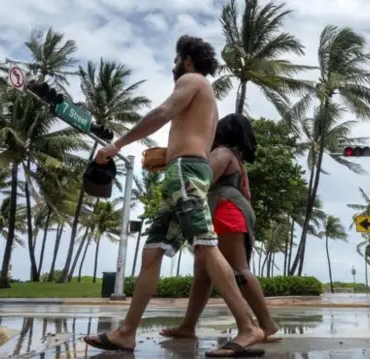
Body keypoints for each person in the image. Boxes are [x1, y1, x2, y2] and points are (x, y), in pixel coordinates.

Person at [83, 35, 265, 357]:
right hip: (180, 173)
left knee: (206, 246)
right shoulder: (205, 98)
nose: (175, 64)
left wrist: (118, 145)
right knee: (152, 253)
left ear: (188, 60)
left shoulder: (193, 80)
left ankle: (248, 327)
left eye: (177, 58)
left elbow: (162, 111)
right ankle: (126, 332)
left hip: (185, 173)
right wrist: (167, 156)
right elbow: (191, 140)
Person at [159, 113, 280, 343]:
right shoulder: (238, 161)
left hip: (225, 213)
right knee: (203, 275)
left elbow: (201, 180)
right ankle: (188, 325)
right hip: (230, 213)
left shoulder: (222, 153)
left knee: (238, 270)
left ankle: (267, 324)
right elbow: (247, 195)